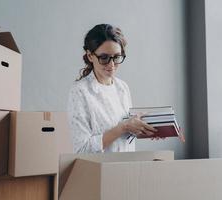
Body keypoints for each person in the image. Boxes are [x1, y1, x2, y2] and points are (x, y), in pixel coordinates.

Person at [67, 24, 157, 153]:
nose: (112, 64)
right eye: (104, 58)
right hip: (99, 170)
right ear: (90, 56)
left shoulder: (122, 88)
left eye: (116, 57)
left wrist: (149, 130)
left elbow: (125, 135)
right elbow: (83, 149)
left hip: (126, 167)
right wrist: (123, 127)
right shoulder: (80, 92)